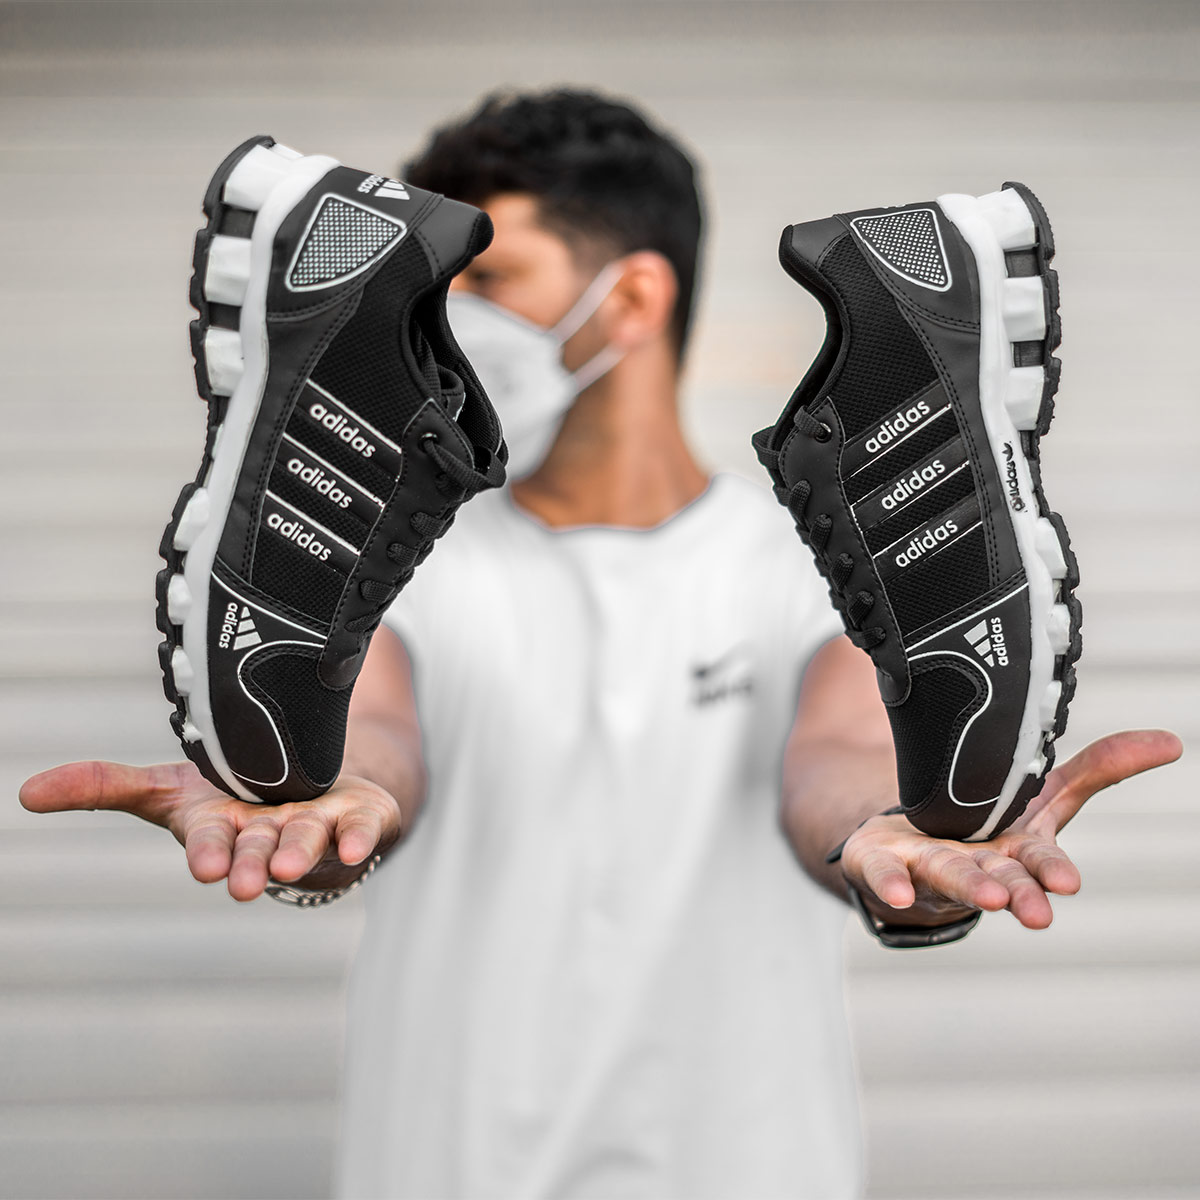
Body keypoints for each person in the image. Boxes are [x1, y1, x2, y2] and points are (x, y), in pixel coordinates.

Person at [20, 89, 1181, 1199]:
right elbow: (376, 733)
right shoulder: (415, 573)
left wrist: (908, 841)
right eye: (437, 294)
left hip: (742, 1182)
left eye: (491, 281)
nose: (449, 326)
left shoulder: (802, 572)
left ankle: (956, 736)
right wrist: (318, 805)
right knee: (305, 720)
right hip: (447, 1182)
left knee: (916, 728)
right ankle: (282, 718)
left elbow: (837, 762)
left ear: (630, 300)